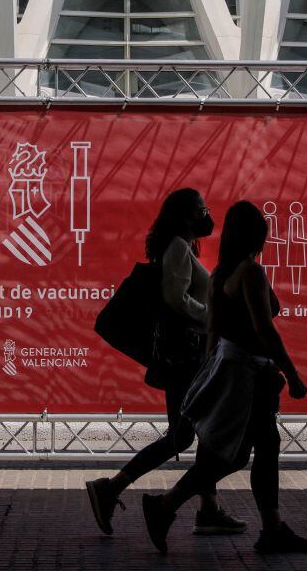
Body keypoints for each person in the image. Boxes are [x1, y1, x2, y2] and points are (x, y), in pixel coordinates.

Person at [141, 200, 307, 556]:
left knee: (245, 452)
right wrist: (292, 373)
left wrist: (210, 378)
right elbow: (265, 330)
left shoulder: (221, 274)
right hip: (250, 379)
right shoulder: (250, 272)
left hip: (230, 373)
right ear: (258, 235)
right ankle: (168, 508)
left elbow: (212, 333)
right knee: (254, 450)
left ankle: (266, 527)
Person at [86, 188, 246, 537]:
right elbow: (176, 299)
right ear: (185, 215)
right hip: (185, 360)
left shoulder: (182, 247)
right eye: (201, 210)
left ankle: (208, 508)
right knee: (182, 436)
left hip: (190, 358)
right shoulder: (177, 246)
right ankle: (111, 488)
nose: (207, 216)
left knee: (196, 433)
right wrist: (210, 318)